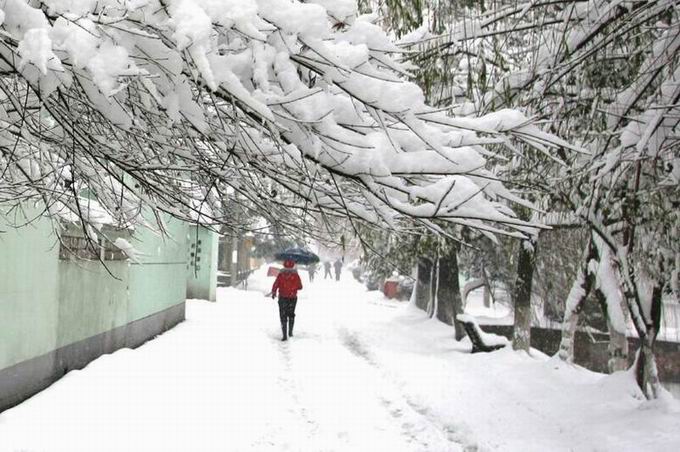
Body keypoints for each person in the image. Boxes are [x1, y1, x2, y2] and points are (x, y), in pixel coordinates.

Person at [271, 259, 303, 341]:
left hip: (282, 297)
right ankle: (290, 332)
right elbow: (300, 287)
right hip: (292, 298)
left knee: (283, 315)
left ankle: (284, 335)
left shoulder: (281, 274)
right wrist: (293, 286)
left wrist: (274, 292)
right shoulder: (295, 275)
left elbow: (276, 284)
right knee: (291, 314)